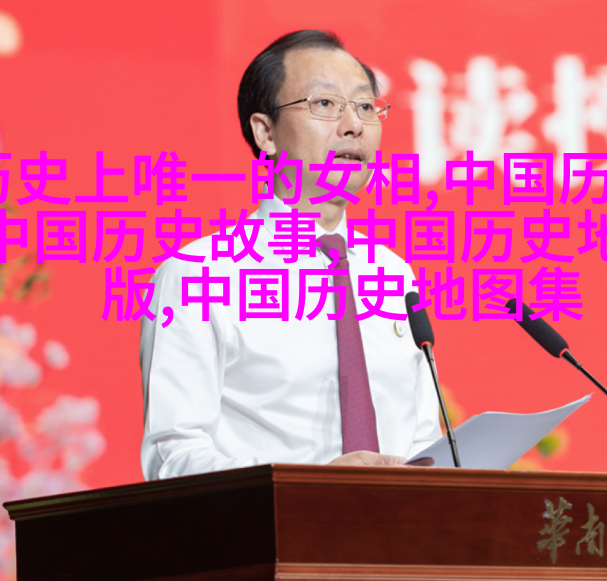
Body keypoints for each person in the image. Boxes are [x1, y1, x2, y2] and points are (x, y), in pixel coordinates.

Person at [140, 30, 442, 480]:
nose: (354, 125)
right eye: (325, 104)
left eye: (365, 106)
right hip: (270, 523)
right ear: (266, 132)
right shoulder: (196, 276)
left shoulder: (392, 273)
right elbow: (174, 459)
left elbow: (422, 443)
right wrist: (312, 482)